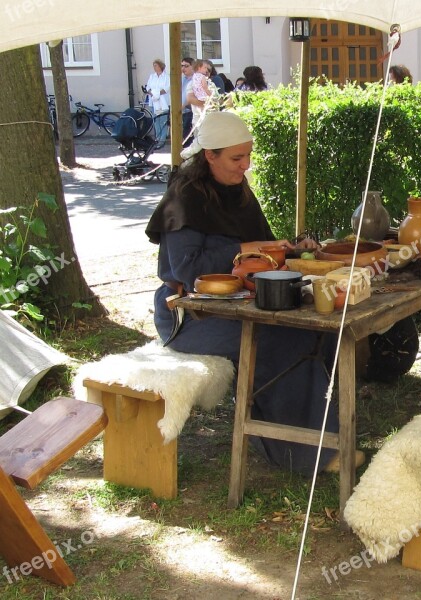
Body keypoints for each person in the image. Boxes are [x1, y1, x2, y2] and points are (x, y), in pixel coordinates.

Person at [145, 111, 357, 475]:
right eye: (236, 158)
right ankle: (306, 453)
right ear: (209, 155)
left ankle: (304, 437)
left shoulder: (238, 189)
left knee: (315, 330)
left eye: (248, 156)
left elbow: (261, 253)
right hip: (191, 317)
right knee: (279, 338)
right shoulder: (184, 197)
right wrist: (244, 246)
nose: (245, 166)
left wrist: (290, 249)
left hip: (238, 304)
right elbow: (186, 268)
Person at [145, 59, 170, 147]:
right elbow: (148, 87)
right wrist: (152, 93)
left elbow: (167, 88)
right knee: (156, 120)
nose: (154, 67)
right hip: (153, 102)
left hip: (163, 102)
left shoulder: (166, 77)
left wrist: (157, 94)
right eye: (154, 66)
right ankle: (157, 138)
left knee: (163, 121)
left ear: (160, 66)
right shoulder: (152, 76)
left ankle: (162, 139)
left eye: (156, 65)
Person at [180, 57, 195, 147]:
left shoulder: (195, 79)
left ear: (192, 67)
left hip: (190, 111)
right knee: (183, 135)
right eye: (182, 66)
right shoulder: (183, 79)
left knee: (188, 135)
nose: (183, 68)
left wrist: (184, 105)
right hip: (183, 111)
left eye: (186, 66)